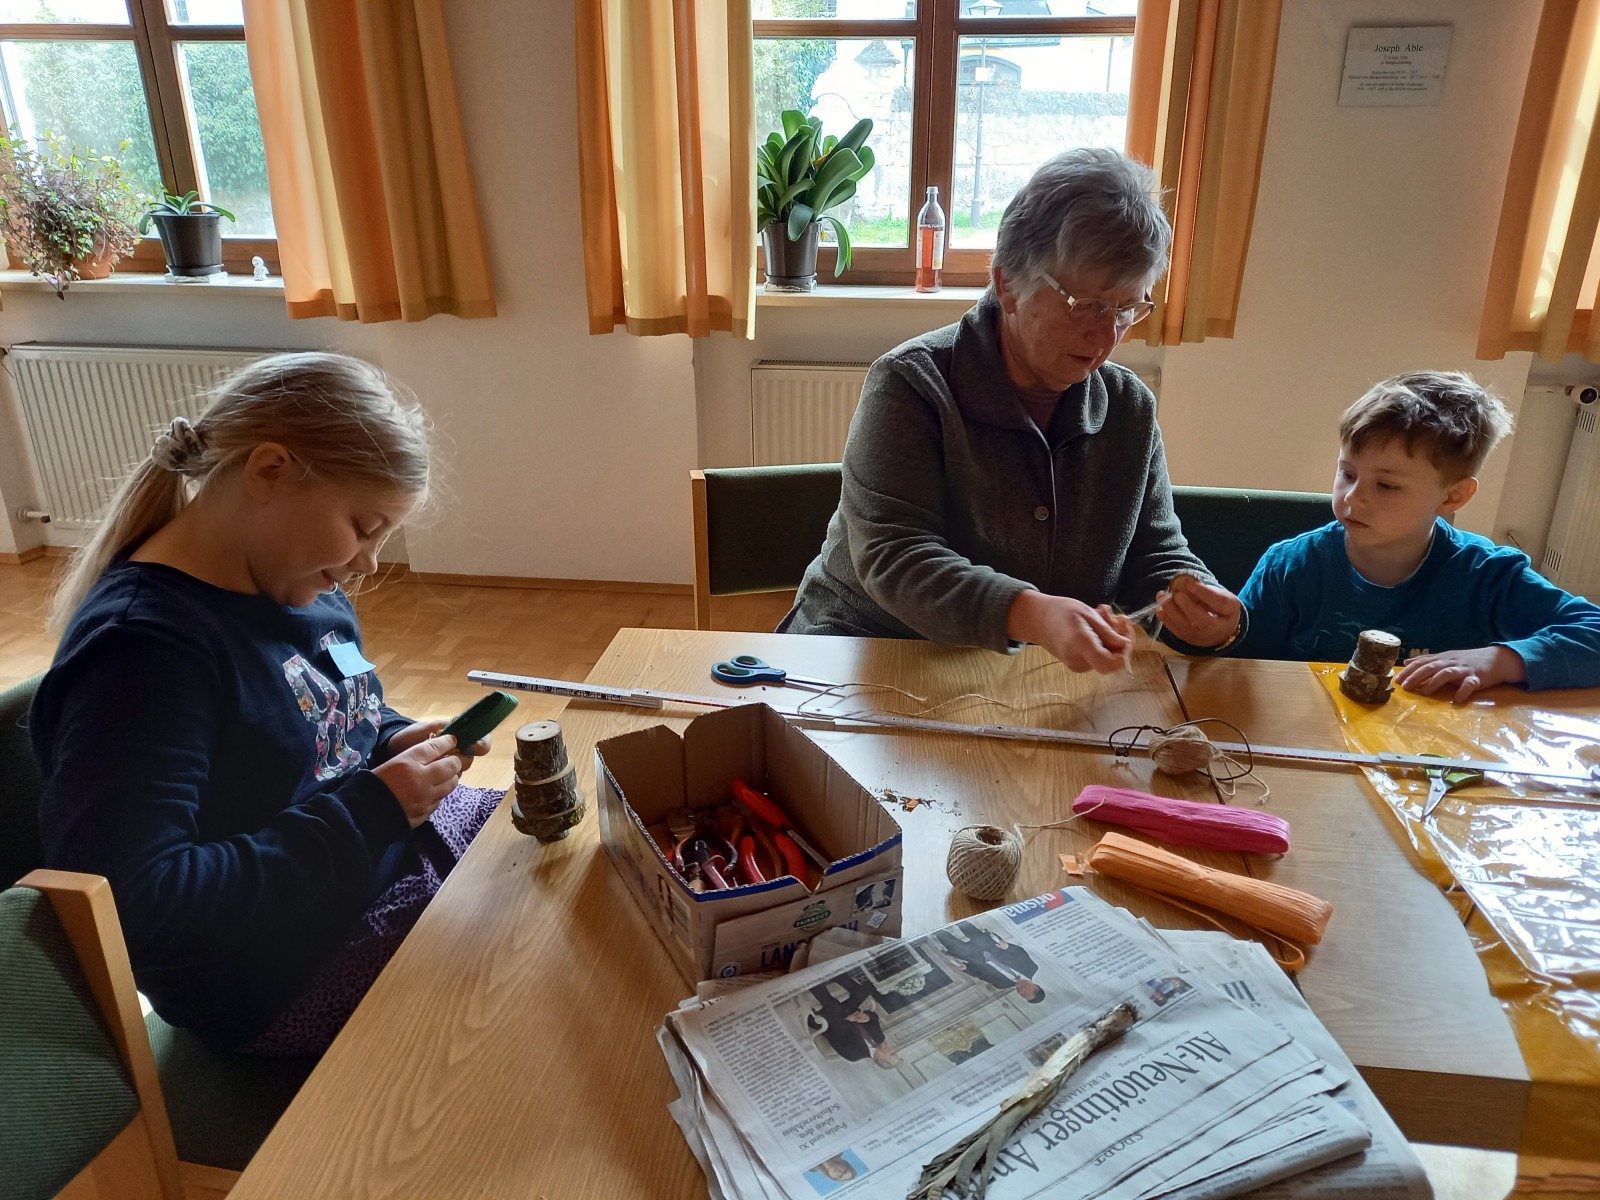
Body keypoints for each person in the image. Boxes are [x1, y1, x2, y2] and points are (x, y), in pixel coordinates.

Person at [32, 352, 500, 1056]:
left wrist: (391, 740)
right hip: (281, 976)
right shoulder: (143, 654)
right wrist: (373, 809)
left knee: (575, 869)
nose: (369, 562)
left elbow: (321, 716)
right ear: (270, 471)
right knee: (535, 975)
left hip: (372, 873)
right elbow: (139, 906)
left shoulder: (295, 583)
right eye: (363, 526)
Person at [779, 147, 1244, 670]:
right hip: (864, 653)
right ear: (1008, 284)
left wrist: (1200, 603)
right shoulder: (912, 383)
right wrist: (1030, 614)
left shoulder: (1128, 408)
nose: (1105, 335)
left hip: (1019, 674)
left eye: (1126, 309)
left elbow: (1155, 551)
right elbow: (895, 556)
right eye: (1087, 306)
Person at [1225, 370, 1600, 700]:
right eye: (1348, 474)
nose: (1353, 497)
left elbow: (1593, 632)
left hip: (1426, 749)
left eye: (1386, 485)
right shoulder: (1291, 565)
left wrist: (1501, 660)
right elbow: (1234, 670)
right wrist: (1216, 634)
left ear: (1453, 497)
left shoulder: (1486, 576)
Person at [934, 921, 1046, 1003]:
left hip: (973, 957)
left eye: (1022, 996)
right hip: (991, 947)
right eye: (1025, 993)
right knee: (966, 926)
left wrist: (966, 969)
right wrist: (1007, 947)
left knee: (946, 939)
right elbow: (1019, 952)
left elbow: (981, 975)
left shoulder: (1002, 985)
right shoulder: (1031, 968)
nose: (1020, 993)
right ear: (1035, 987)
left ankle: (935, 927)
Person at [805, 975, 900, 1069]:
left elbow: (834, 1036)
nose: (892, 1049)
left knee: (834, 1006)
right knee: (867, 989)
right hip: (848, 1010)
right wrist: (867, 1017)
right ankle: (833, 973)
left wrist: (847, 1020)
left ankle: (812, 979)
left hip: (829, 1022)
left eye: (892, 1053)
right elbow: (874, 1018)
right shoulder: (880, 1038)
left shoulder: (854, 1056)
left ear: (881, 1059)